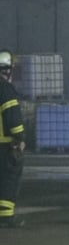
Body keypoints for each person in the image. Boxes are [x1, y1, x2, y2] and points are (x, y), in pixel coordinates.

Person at [0, 50, 26, 228]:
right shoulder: (5, 88)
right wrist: (20, 137)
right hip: (3, 142)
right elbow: (12, 116)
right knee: (9, 177)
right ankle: (6, 216)